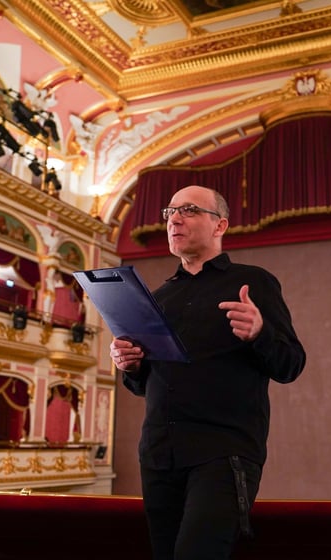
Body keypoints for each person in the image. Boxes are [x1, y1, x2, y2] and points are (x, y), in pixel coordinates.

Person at [109, 185, 306, 559]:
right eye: (170, 212)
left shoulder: (254, 283)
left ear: (220, 225)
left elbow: (291, 365)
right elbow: (145, 384)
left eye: (188, 210)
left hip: (222, 454)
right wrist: (130, 364)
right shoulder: (158, 298)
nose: (174, 219)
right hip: (158, 456)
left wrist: (260, 332)